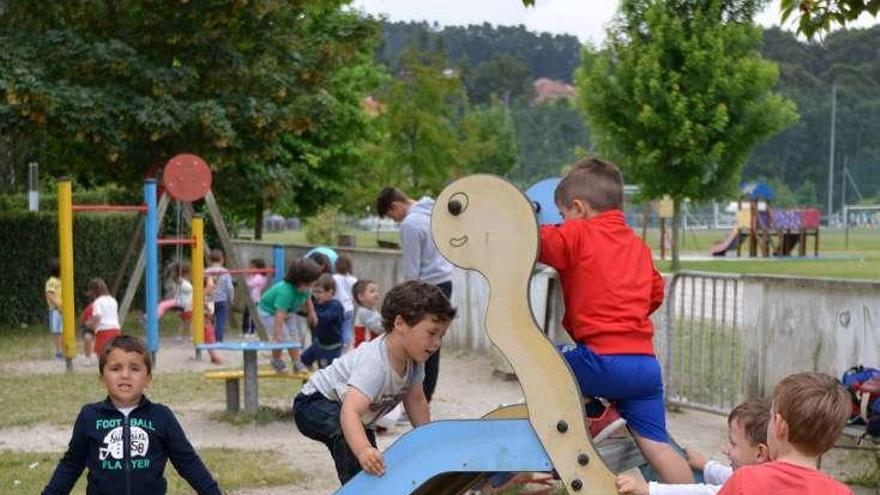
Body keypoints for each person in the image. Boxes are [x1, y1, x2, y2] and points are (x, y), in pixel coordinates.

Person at [538, 158, 692, 483]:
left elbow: (532, 241)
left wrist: (522, 216)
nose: (561, 223)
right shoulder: (637, 245)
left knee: (539, 359)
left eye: (562, 215)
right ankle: (692, 492)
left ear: (578, 208)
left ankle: (593, 413)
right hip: (645, 366)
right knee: (660, 449)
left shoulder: (576, 234)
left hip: (602, 360)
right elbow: (654, 293)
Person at [293, 281, 456, 485]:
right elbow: (350, 411)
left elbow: (416, 402)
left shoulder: (415, 360)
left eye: (441, 335)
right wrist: (363, 451)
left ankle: (370, 487)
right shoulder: (376, 363)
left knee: (372, 462)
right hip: (314, 402)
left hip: (351, 412)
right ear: (400, 324)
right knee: (357, 448)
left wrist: (429, 442)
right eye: (432, 333)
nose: (437, 343)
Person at [42, 335, 221, 495]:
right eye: (116, 368)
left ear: (148, 378)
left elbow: (188, 462)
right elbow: (71, 465)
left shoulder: (161, 416)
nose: (125, 375)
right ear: (102, 378)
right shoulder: (89, 416)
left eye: (135, 368)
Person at [716, 372, 853, 495]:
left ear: (779, 425)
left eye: (771, 417)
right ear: (830, 441)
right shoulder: (841, 492)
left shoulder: (745, 480)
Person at [376, 186, 453, 404]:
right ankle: (425, 398)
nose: (395, 220)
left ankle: (415, 400)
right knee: (433, 343)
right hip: (445, 283)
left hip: (426, 286)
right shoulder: (433, 212)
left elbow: (412, 268)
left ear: (395, 206)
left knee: (416, 343)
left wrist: (406, 297)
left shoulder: (410, 224)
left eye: (392, 216)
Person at [616, 397, 771, 494]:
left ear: (760, 453)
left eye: (733, 443)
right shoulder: (770, 474)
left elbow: (706, 493)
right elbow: (732, 477)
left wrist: (649, 489)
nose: (724, 449)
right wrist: (706, 466)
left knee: (654, 443)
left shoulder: (755, 489)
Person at [258, 258, 323, 373]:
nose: (315, 284)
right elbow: (280, 313)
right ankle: (276, 360)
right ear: (301, 280)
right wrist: (277, 332)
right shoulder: (285, 292)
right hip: (269, 312)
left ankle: (297, 362)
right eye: (313, 281)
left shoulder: (306, 288)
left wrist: (312, 312)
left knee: (294, 337)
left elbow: (308, 299)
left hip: (288, 312)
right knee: (282, 337)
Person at [301, 274, 345, 369]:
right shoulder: (316, 305)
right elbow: (304, 313)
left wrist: (311, 311)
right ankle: (309, 381)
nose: (316, 295)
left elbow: (326, 318)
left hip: (332, 347)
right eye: (314, 292)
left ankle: (322, 383)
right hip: (319, 344)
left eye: (319, 292)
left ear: (330, 292)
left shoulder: (335, 306)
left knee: (326, 370)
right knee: (304, 359)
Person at [87, 278, 121, 355]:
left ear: (94, 292)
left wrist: (91, 326)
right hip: (116, 331)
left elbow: (97, 317)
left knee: (102, 359)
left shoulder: (97, 302)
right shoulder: (113, 300)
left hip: (104, 332)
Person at [205, 249, 233, 342]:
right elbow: (229, 287)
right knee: (220, 321)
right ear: (222, 259)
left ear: (209, 260)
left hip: (209, 299)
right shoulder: (225, 272)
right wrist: (231, 298)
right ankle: (218, 339)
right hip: (221, 300)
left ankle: (209, 338)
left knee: (209, 320)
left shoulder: (205, 271)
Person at [332, 255, 357, 351]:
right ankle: (348, 347)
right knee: (347, 329)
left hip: (336, 307)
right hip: (349, 307)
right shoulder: (353, 280)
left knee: (338, 329)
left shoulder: (333, 278)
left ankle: (340, 347)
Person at [352, 279, 383, 348]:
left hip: (371, 348)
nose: (376, 294)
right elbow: (378, 328)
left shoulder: (373, 310)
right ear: (361, 297)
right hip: (364, 349)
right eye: (372, 291)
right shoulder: (363, 312)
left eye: (377, 291)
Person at [242, 258, 268, 337]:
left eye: (253, 267)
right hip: (253, 298)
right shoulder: (256, 276)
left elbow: (250, 284)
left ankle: (248, 331)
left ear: (259, 268)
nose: (251, 269)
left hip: (254, 299)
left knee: (249, 315)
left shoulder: (259, 277)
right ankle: (250, 331)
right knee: (250, 315)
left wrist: (244, 279)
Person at [45, 258, 63, 359]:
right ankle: (59, 352)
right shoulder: (52, 282)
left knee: (61, 331)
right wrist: (58, 306)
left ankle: (62, 350)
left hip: (61, 310)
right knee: (58, 332)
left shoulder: (59, 281)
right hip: (56, 310)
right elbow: (49, 295)